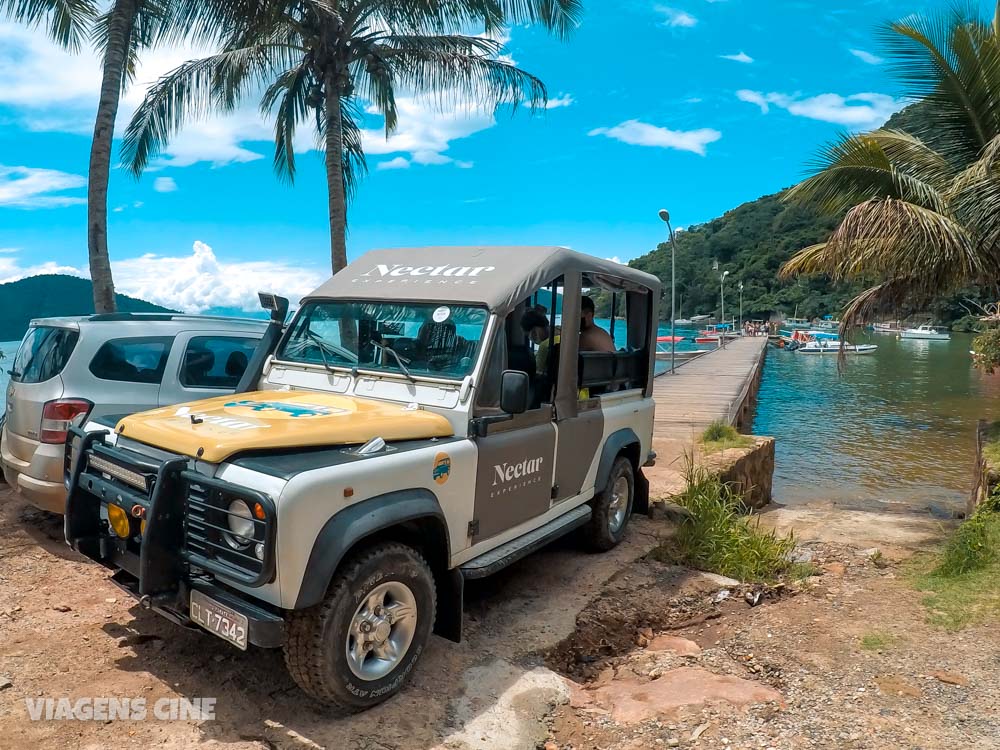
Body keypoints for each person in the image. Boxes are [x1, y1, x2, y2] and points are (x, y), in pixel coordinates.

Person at [520, 307, 561, 372]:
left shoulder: (544, 346)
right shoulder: (563, 333)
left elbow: (538, 374)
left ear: (535, 331)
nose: (530, 338)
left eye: (529, 334)